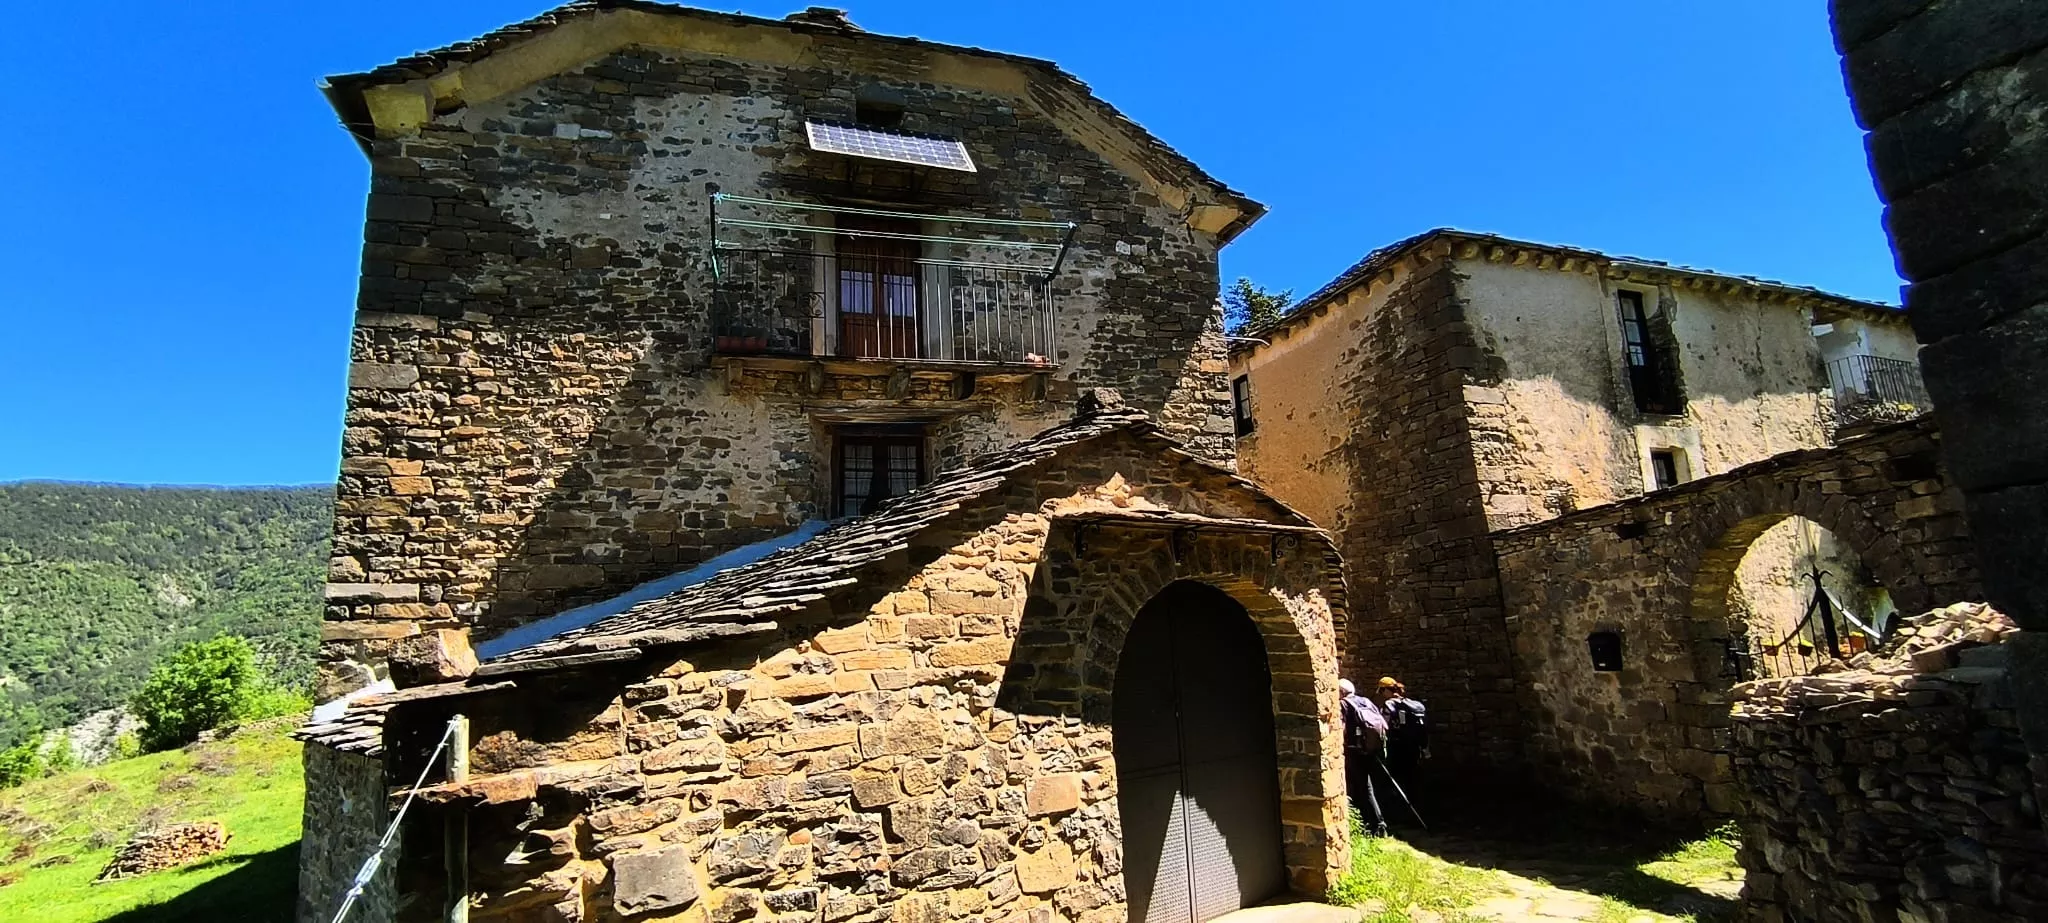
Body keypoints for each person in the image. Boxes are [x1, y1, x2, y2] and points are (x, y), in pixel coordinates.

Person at [1339, 678, 1390, 837]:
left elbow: (1341, 730)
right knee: (1366, 786)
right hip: (1370, 750)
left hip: (1354, 751)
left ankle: (1376, 824)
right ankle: (1373, 822)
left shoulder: (1344, 705)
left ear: (1341, 692)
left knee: (1362, 787)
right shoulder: (1365, 701)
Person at [1374, 677, 1428, 791]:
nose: (1381, 694)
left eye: (1381, 691)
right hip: (1413, 744)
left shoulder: (1389, 704)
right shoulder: (1409, 703)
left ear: (1386, 690)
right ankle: (1415, 796)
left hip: (1397, 745)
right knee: (1412, 771)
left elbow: (1383, 725)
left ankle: (1399, 801)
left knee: (1398, 773)